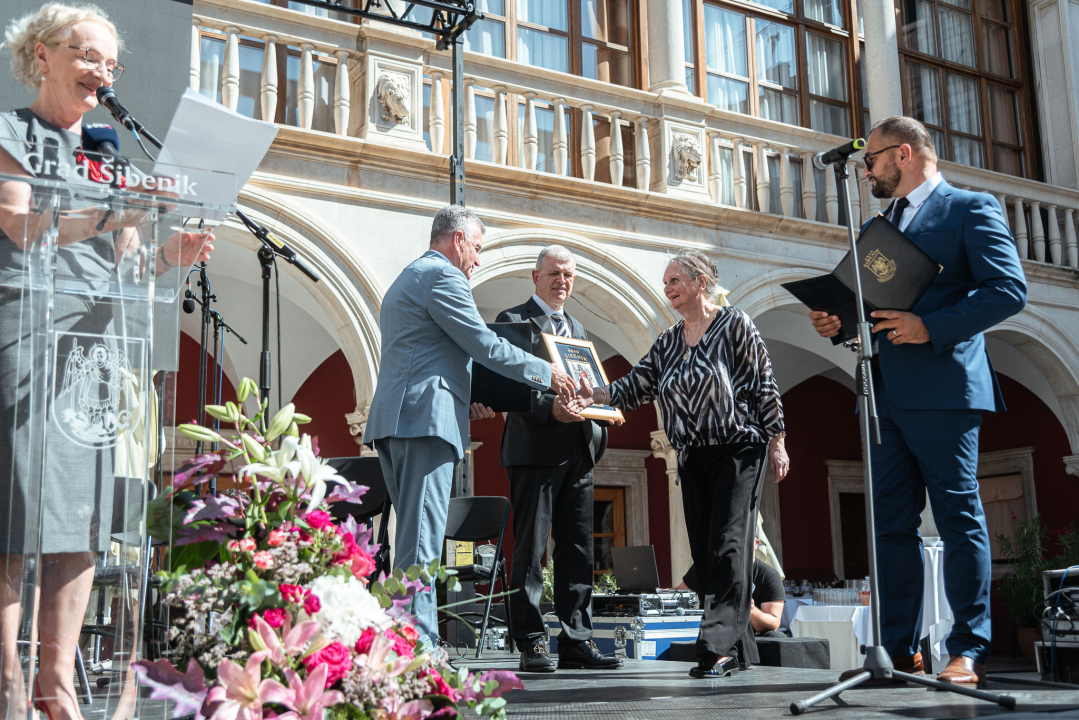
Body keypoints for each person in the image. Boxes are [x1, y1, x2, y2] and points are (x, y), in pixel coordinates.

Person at [0, 6, 213, 720]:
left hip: (91, 357)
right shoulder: (9, 133)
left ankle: (55, 684)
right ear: (41, 56)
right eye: (85, 55)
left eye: (110, 63)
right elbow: (24, 228)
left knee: (80, 523)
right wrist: (116, 214)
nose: (101, 72)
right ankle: (7, 683)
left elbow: (126, 269)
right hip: (22, 345)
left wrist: (164, 255)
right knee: (12, 513)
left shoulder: (107, 154)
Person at [809, 117, 1026, 688]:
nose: (866, 173)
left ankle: (967, 650)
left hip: (943, 389)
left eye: (872, 161)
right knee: (890, 528)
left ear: (904, 154)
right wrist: (835, 320)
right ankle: (900, 651)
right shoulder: (880, 224)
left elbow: (1008, 290)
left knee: (959, 518)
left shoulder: (969, 208)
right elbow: (867, 309)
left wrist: (930, 326)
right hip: (880, 394)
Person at [363, 205, 575, 648]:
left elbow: (428, 355)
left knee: (411, 541)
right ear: (458, 239)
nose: (477, 260)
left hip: (403, 418)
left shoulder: (411, 275)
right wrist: (547, 372)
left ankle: (402, 645)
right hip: (423, 421)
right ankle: (419, 652)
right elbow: (483, 343)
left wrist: (465, 401)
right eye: (477, 248)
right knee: (421, 543)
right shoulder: (443, 275)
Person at [574, 249, 789, 679]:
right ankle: (742, 649)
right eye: (667, 281)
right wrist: (593, 395)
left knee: (729, 545)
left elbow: (764, 385)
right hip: (692, 453)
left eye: (675, 280)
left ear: (700, 283)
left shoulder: (735, 325)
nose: (668, 288)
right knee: (708, 556)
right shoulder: (670, 340)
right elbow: (639, 383)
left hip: (738, 449)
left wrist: (778, 441)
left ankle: (716, 648)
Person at [494, 245, 622, 673]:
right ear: (535, 277)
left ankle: (576, 638)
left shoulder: (578, 328)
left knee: (578, 549)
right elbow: (507, 385)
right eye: (553, 273)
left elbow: (587, 384)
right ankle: (531, 640)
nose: (561, 281)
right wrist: (548, 407)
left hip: (579, 449)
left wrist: (599, 406)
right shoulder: (514, 322)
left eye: (568, 275)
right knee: (531, 549)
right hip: (534, 450)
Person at [749, 536, 785, 637]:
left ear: (757, 543)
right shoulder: (718, 571)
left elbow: (774, 623)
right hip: (719, 631)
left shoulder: (768, 575)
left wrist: (751, 609)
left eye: (747, 538)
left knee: (777, 637)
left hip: (752, 636)